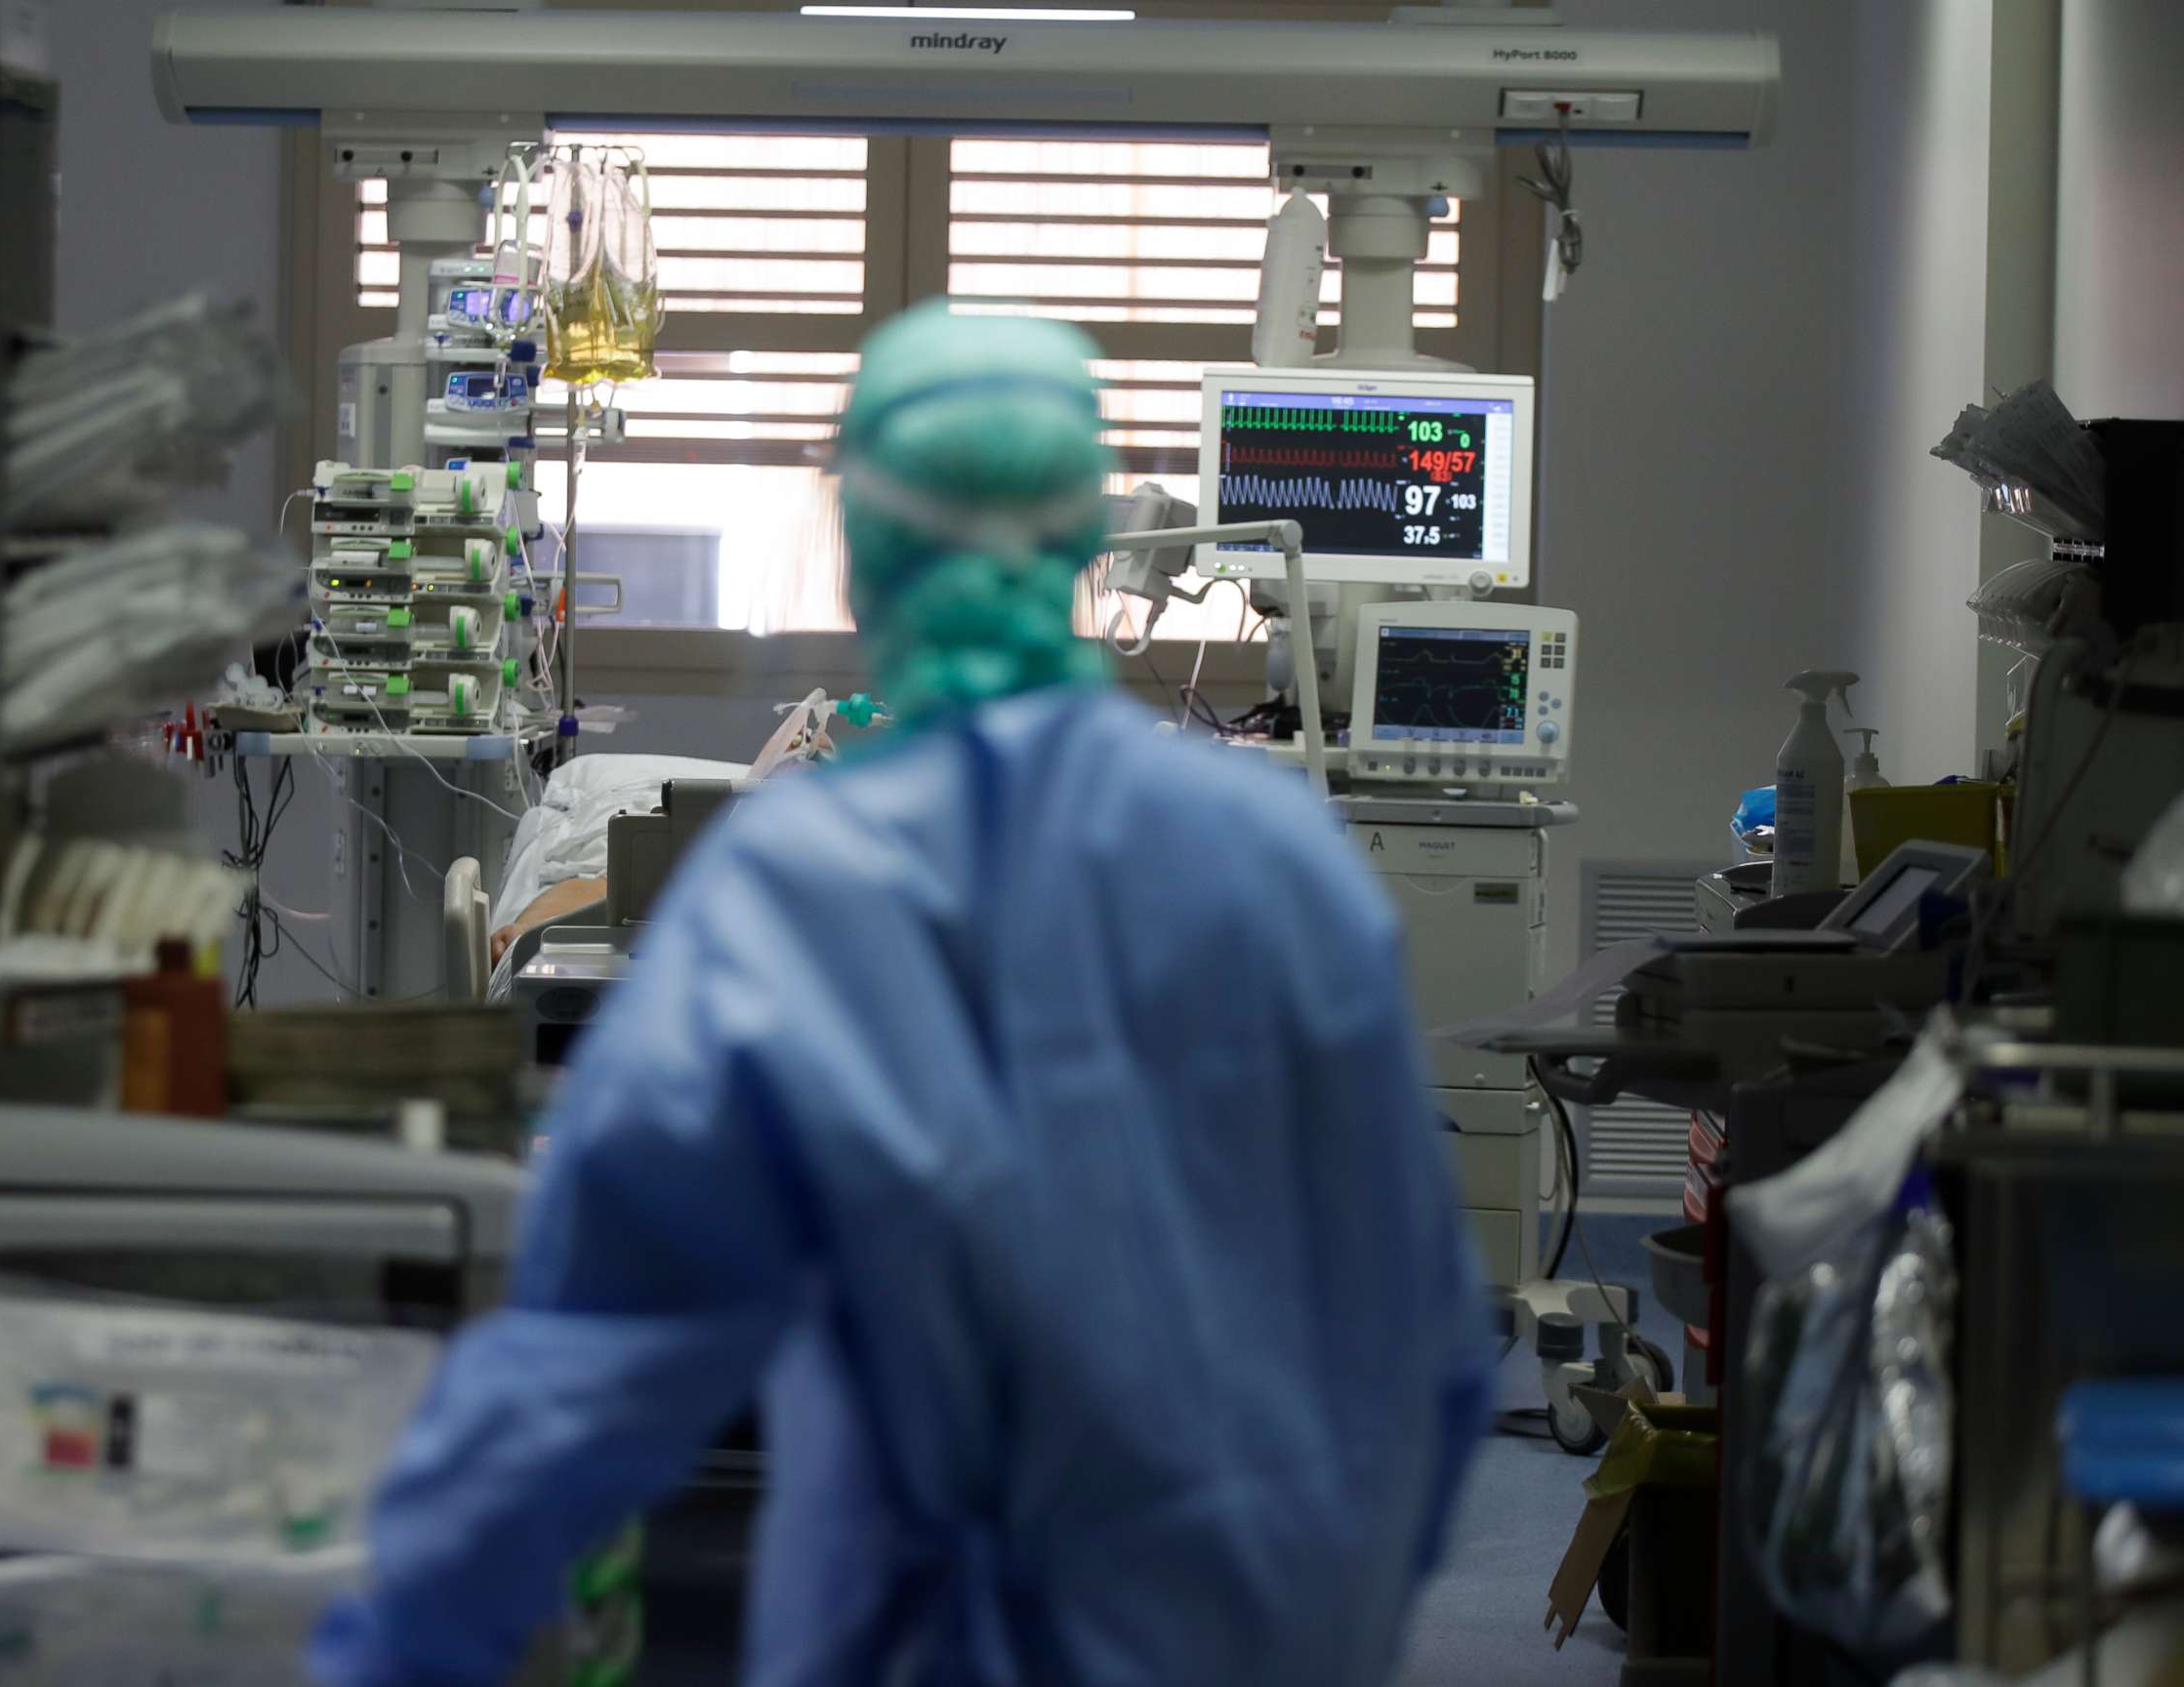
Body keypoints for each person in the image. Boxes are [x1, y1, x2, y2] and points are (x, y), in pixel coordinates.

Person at [309, 303, 1492, 1687]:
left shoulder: (795, 895)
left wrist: (391, 1652)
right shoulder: (1278, 859)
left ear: (865, 557)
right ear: (1080, 540)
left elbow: (582, 1379)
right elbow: (1426, 1336)